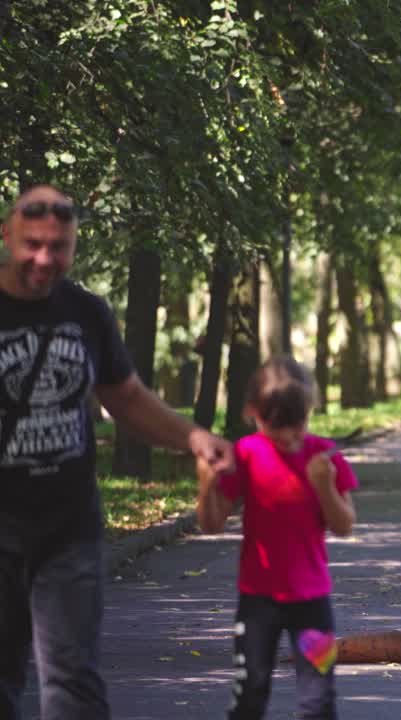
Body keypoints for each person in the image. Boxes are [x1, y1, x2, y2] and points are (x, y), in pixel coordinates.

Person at [0, 184, 236, 719]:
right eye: (33, 244)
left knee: (73, 681)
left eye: (58, 248)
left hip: (68, 528)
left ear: (74, 245)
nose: (44, 259)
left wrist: (194, 437)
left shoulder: (86, 312)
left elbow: (126, 398)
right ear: (8, 234)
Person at [196, 356, 357, 720]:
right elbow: (212, 523)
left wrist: (324, 486)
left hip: (314, 604)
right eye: (279, 425)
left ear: (309, 411)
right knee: (249, 693)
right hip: (257, 604)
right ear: (255, 413)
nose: (290, 435)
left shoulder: (322, 455)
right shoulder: (247, 454)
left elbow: (345, 525)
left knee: (319, 699)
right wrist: (207, 482)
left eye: (298, 423)